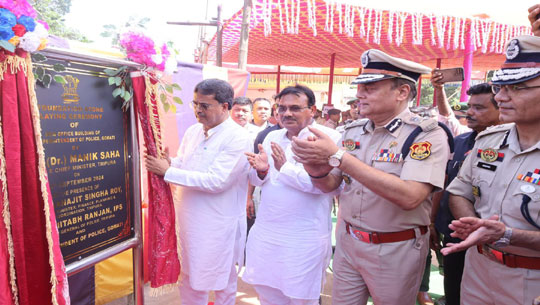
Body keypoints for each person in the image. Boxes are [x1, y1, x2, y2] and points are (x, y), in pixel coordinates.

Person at [291, 49, 451, 305]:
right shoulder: (354, 131)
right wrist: (313, 165)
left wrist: (339, 156)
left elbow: (411, 197)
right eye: (360, 87)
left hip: (394, 249)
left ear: (402, 92)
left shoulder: (426, 135)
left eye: (371, 87)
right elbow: (330, 184)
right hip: (348, 243)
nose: (359, 94)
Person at [442, 35, 540, 305]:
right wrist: (474, 225)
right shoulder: (489, 140)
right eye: (500, 86)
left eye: (517, 87)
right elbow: (460, 193)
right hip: (479, 270)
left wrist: (507, 235)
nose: (501, 97)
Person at [144, 79, 251, 305]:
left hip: (218, 223)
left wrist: (168, 172)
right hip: (189, 220)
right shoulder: (194, 131)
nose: (198, 110)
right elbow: (186, 161)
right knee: (190, 276)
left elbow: (217, 181)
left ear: (225, 106)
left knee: (223, 280)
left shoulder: (239, 137)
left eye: (205, 105)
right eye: (195, 104)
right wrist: (170, 163)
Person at [243, 85, 341, 304]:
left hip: (303, 238)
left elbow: (332, 187)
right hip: (267, 232)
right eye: (282, 108)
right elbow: (259, 180)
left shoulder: (330, 138)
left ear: (312, 110)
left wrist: (285, 168)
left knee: (301, 297)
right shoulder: (272, 136)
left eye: (295, 108)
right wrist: (261, 170)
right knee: (267, 294)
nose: (286, 113)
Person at [430, 83, 500, 305]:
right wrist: (432, 222)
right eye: (469, 106)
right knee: (454, 292)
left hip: (494, 242)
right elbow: (445, 184)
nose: (469, 112)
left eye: (479, 108)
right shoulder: (459, 141)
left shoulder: (511, 147)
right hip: (455, 233)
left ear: (502, 110)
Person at [431, 69, 472, 136]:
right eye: (454, 116)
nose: (454, 120)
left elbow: (447, 117)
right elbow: (446, 117)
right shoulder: (461, 135)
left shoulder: (468, 133)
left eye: (457, 117)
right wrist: (439, 88)